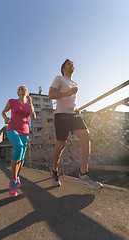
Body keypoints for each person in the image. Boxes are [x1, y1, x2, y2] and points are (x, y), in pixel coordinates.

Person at [48, 59, 103, 189]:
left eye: (73, 63)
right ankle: (54, 170)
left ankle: (84, 175)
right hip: (60, 115)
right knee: (62, 144)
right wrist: (67, 93)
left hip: (73, 114)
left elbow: (70, 100)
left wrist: (75, 108)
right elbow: (51, 94)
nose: (72, 64)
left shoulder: (75, 83)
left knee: (86, 136)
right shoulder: (59, 78)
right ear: (63, 68)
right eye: (69, 63)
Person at [2, 85, 36, 196]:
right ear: (18, 92)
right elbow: (4, 112)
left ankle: (16, 177)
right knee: (19, 147)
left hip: (25, 133)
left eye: (25, 88)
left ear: (26, 93)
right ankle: (13, 180)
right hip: (12, 129)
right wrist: (5, 118)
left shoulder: (28, 104)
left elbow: (33, 117)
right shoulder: (12, 101)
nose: (23, 89)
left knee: (21, 159)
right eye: (21, 88)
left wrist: (30, 103)